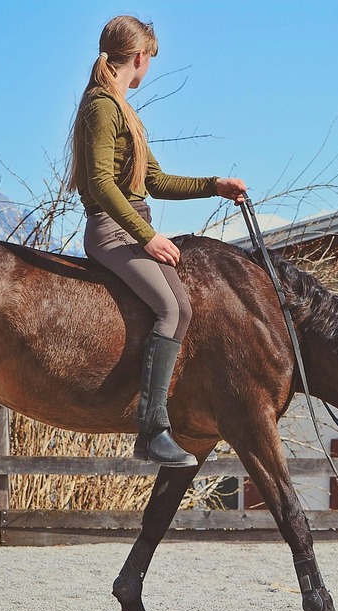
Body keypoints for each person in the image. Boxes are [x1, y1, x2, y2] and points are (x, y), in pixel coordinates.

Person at [66, 15, 246, 467]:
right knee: (171, 308)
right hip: (113, 229)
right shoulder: (102, 107)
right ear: (140, 58)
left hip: (131, 223)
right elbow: (103, 184)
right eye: (151, 61)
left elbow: (156, 181)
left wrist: (213, 185)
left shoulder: (124, 110)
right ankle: (152, 429)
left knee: (182, 307)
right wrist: (146, 237)